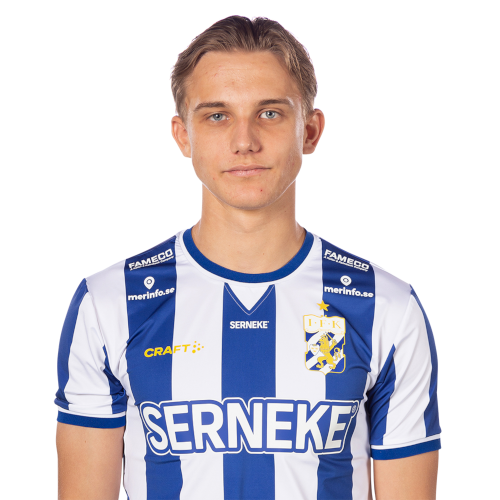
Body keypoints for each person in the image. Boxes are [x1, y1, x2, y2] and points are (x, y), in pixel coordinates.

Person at [55, 15, 440, 500]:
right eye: (217, 116)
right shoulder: (109, 302)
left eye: (270, 113)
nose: (245, 142)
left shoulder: (386, 306)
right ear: (182, 135)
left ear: (311, 131)